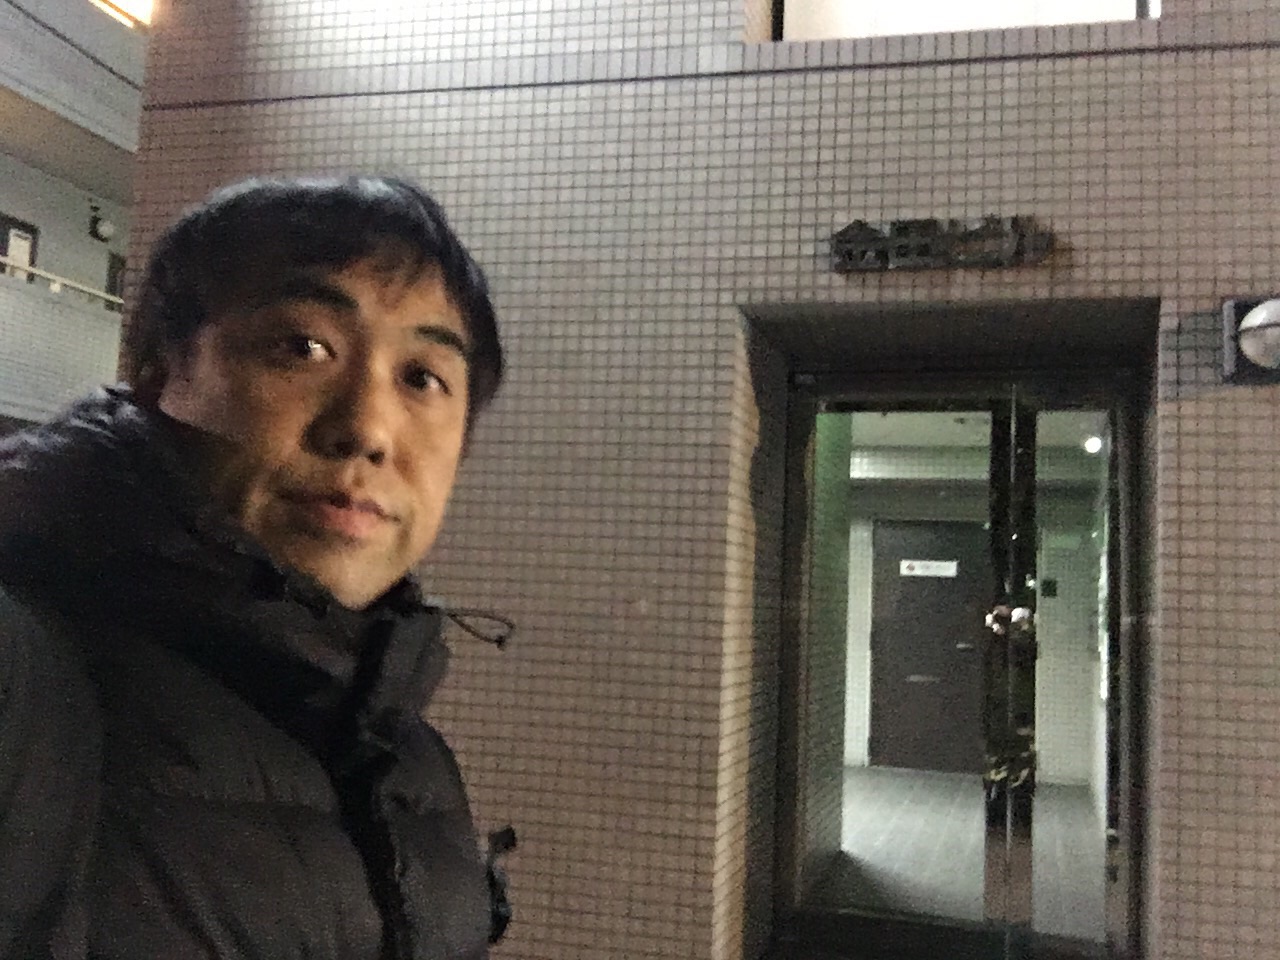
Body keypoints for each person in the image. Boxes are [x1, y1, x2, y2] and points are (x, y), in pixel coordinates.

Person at [0, 176, 514, 959]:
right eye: (303, 347)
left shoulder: (403, 751)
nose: (369, 429)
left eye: (423, 378)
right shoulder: (29, 681)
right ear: (156, 370)